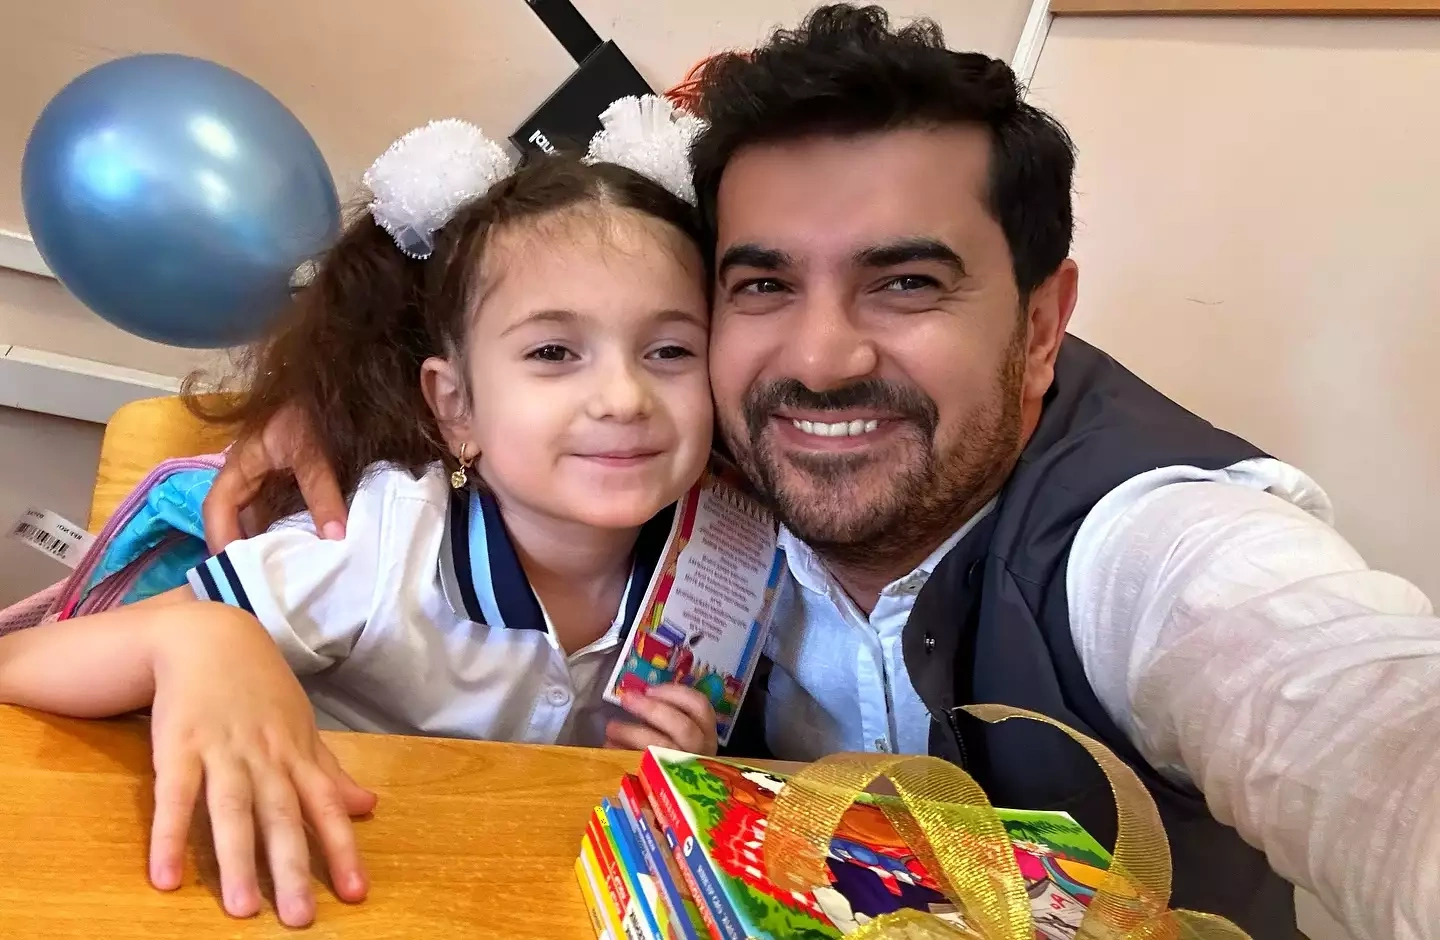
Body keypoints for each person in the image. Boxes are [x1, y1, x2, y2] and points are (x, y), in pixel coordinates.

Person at [210, 7, 1437, 940]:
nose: (820, 358)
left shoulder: (1147, 541)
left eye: (906, 282)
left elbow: (1343, 700)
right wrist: (331, 402)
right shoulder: (684, 464)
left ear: (1040, 326)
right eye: (762, 283)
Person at [0, 122, 724, 927]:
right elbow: (18, 662)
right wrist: (200, 635)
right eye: (553, 353)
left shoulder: (716, 569)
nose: (624, 398)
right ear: (456, 407)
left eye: (670, 351)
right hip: (289, 886)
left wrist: (684, 770)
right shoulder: (380, 543)